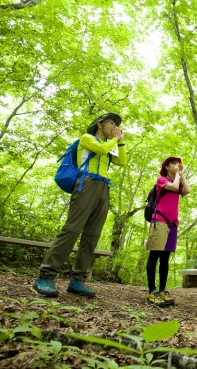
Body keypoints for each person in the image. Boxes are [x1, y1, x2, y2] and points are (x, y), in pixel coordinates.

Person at [33, 113, 127, 298]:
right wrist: (115, 139)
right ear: (100, 125)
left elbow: (122, 162)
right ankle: (45, 276)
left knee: (92, 235)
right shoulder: (87, 138)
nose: (115, 126)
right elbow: (100, 150)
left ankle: (78, 280)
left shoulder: (110, 145)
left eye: (116, 124)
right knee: (72, 229)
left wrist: (120, 142)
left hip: (103, 187)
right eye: (111, 123)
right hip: (86, 183)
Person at [145, 157, 190, 306]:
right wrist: (178, 175)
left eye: (178, 163)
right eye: (173, 164)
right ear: (167, 167)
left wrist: (181, 174)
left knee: (165, 258)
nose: (177, 165)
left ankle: (163, 290)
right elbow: (174, 185)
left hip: (172, 224)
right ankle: (152, 291)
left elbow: (187, 190)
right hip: (160, 221)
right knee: (154, 255)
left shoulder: (177, 180)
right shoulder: (161, 180)